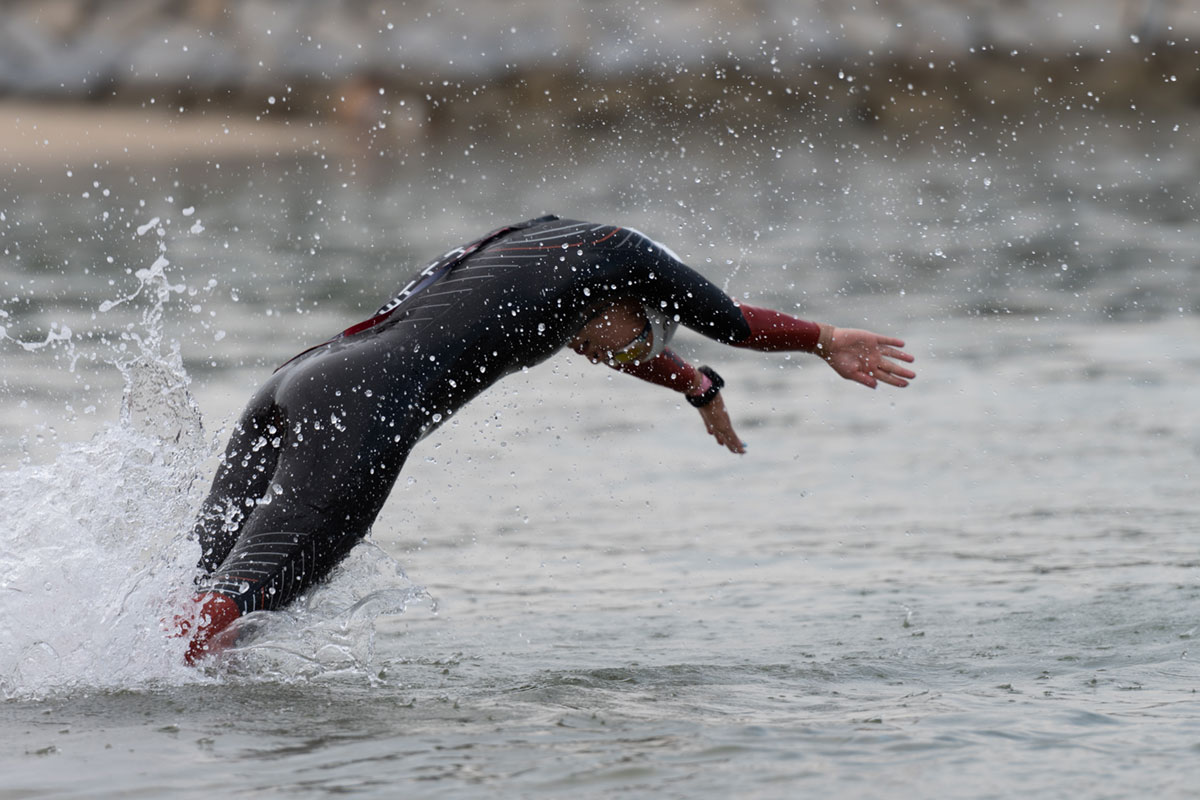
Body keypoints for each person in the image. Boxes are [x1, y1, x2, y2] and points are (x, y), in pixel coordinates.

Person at [174, 215, 915, 663]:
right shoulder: (625, 253)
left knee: (208, 587)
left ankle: (166, 699)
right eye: (636, 341)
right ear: (635, 299)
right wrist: (823, 339)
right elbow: (728, 319)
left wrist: (695, 385)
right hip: (365, 407)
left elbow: (612, 334)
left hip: (298, 379)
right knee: (248, 594)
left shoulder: (545, 249)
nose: (607, 358)